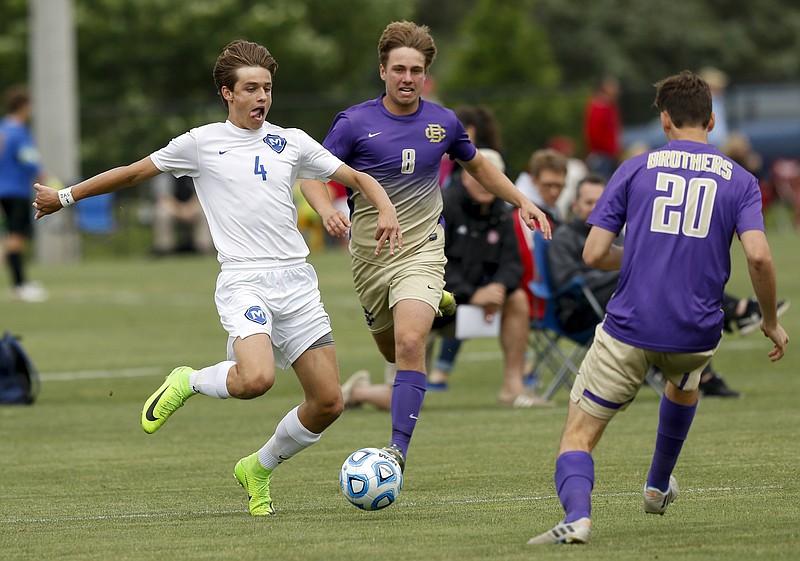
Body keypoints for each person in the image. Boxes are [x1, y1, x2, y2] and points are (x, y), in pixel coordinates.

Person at [31, 39, 402, 517]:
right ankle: (187, 381)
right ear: (228, 93)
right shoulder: (200, 143)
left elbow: (358, 179)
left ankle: (259, 467)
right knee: (257, 379)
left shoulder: (291, 141)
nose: (262, 97)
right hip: (244, 280)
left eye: (267, 88)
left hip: (297, 284)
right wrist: (63, 198)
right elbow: (129, 174)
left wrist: (386, 207)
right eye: (250, 88)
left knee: (329, 403)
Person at [528, 70, 788, 545]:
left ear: (664, 120)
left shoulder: (634, 168)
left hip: (630, 325)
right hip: (696, 334)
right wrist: (769, 321)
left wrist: (638, 255)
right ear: (711, 120)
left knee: (578, 436)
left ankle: (579, 517)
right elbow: (758, 255)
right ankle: (656, 483)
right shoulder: (744, 180)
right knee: (682, 381)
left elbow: (592, 254)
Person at [301, 21, 551, 471]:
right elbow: (310, 175)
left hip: (423, 249)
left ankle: (396, 451)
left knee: (413, 341)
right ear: (382, 71)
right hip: (371, 259)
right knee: (395, 352)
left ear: (425, 74)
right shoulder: (354, 122)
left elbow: (479, 169)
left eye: (416, 70)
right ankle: (430, 305)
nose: (407, 78)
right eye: (399, 69)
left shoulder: (443, 121)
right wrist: (325, 209)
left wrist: (522, 201)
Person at [548, 174, 788, 399]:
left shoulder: (614, 236)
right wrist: (632, 270)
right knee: (666, 282)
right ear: (574, 205)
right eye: (588, 201)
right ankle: (737, 314)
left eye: (600, 202)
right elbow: (566, 282)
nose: (595, 207)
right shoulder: (563, 238)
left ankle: (704, 371)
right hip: (580, 311)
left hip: (630, 304)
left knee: (674, 294)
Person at [427, 149, 551, 407]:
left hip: (484, 303)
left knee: (516, 298)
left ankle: (513, 388)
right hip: (437, 302)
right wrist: (473, 294)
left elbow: (511, 263)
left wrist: (498, 287)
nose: (484, 184)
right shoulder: (443, 206)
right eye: (478, 177)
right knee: (396, 398)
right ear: (464, 177)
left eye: (491, 178)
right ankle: (360, 392)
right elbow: (432, 263)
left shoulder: (502, 212)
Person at [0, 85, 47, 302]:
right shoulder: (19, 130)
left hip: (3, 187)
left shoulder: (3, 128)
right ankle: (20, 285)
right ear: (24, 106)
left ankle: (20, 283)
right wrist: (43, 176)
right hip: (15, 189)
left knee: (10, 235)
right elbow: (29, 159)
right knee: (16, 237)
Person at [151, 174, 214, 255]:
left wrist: (189, 209)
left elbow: (203, 194)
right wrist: (180, 210)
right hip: (173, 207)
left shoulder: (198, 170)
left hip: (194, 206)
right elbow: (164, 197)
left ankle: (203, 248)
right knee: (162, 212)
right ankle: (165, 249)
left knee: (204, 211)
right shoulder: (164, 172)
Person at [583, 75, 622, 180]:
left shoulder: (609, 106)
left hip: (608, 155)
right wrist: (609, 149)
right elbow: (594, 133)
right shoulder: (599, 106)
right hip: (601, 156)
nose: (616, 90)